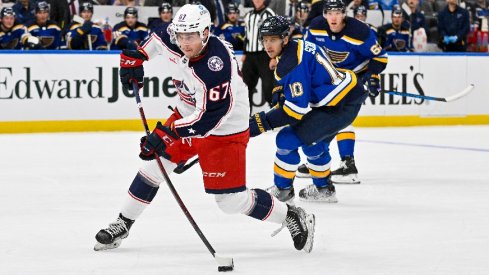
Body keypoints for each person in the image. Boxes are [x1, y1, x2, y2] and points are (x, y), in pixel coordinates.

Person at [94, 4, 316, 254]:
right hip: (188, 115)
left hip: (225, 128)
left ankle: (290, 216)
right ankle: (123, 223)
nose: (184, 43)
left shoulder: (216, 64)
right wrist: (138, 56)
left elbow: (208, 119)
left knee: (231, 201)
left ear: (206, 32)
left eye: (191, 36)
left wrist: (167, 134)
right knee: (152, 167)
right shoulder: (173, 35)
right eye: (181, 36)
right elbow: (156, 40)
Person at [249, 15, 367, 204]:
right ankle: (324, 189)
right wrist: (282, 89)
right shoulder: (296, 46)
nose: (268, 45)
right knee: (313, 144)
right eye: (265, 40)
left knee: (286, 139)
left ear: (285, 39)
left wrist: (260, 124)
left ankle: (283, 189)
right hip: (346, 97)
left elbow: (295, 111)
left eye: (273, 39)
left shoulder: (291, 63)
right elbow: (307, 78)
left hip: (338, 106)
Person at [294, 0, 387, 186]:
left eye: (337, 13)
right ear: (324, 15)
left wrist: (372, 76)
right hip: (331, 77)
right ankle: (318, 160)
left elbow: (380, 57)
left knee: (341, 117)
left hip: (353, 77)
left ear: (344, 14)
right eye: (329, 13)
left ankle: (348, 164)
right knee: (327, 117)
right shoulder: (316, 27)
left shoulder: (359, 31)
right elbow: (307, 54)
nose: (333, 17)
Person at [242, 0, 276, 111]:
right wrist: (245, 53)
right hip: (250, 56)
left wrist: (274, 57)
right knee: (245, 88)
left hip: (265, 55)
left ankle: (276, 115)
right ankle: (245, 118)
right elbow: (247, 36)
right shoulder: (248, 15)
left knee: (268, 87)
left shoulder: (269, 14)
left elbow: (275, 36)